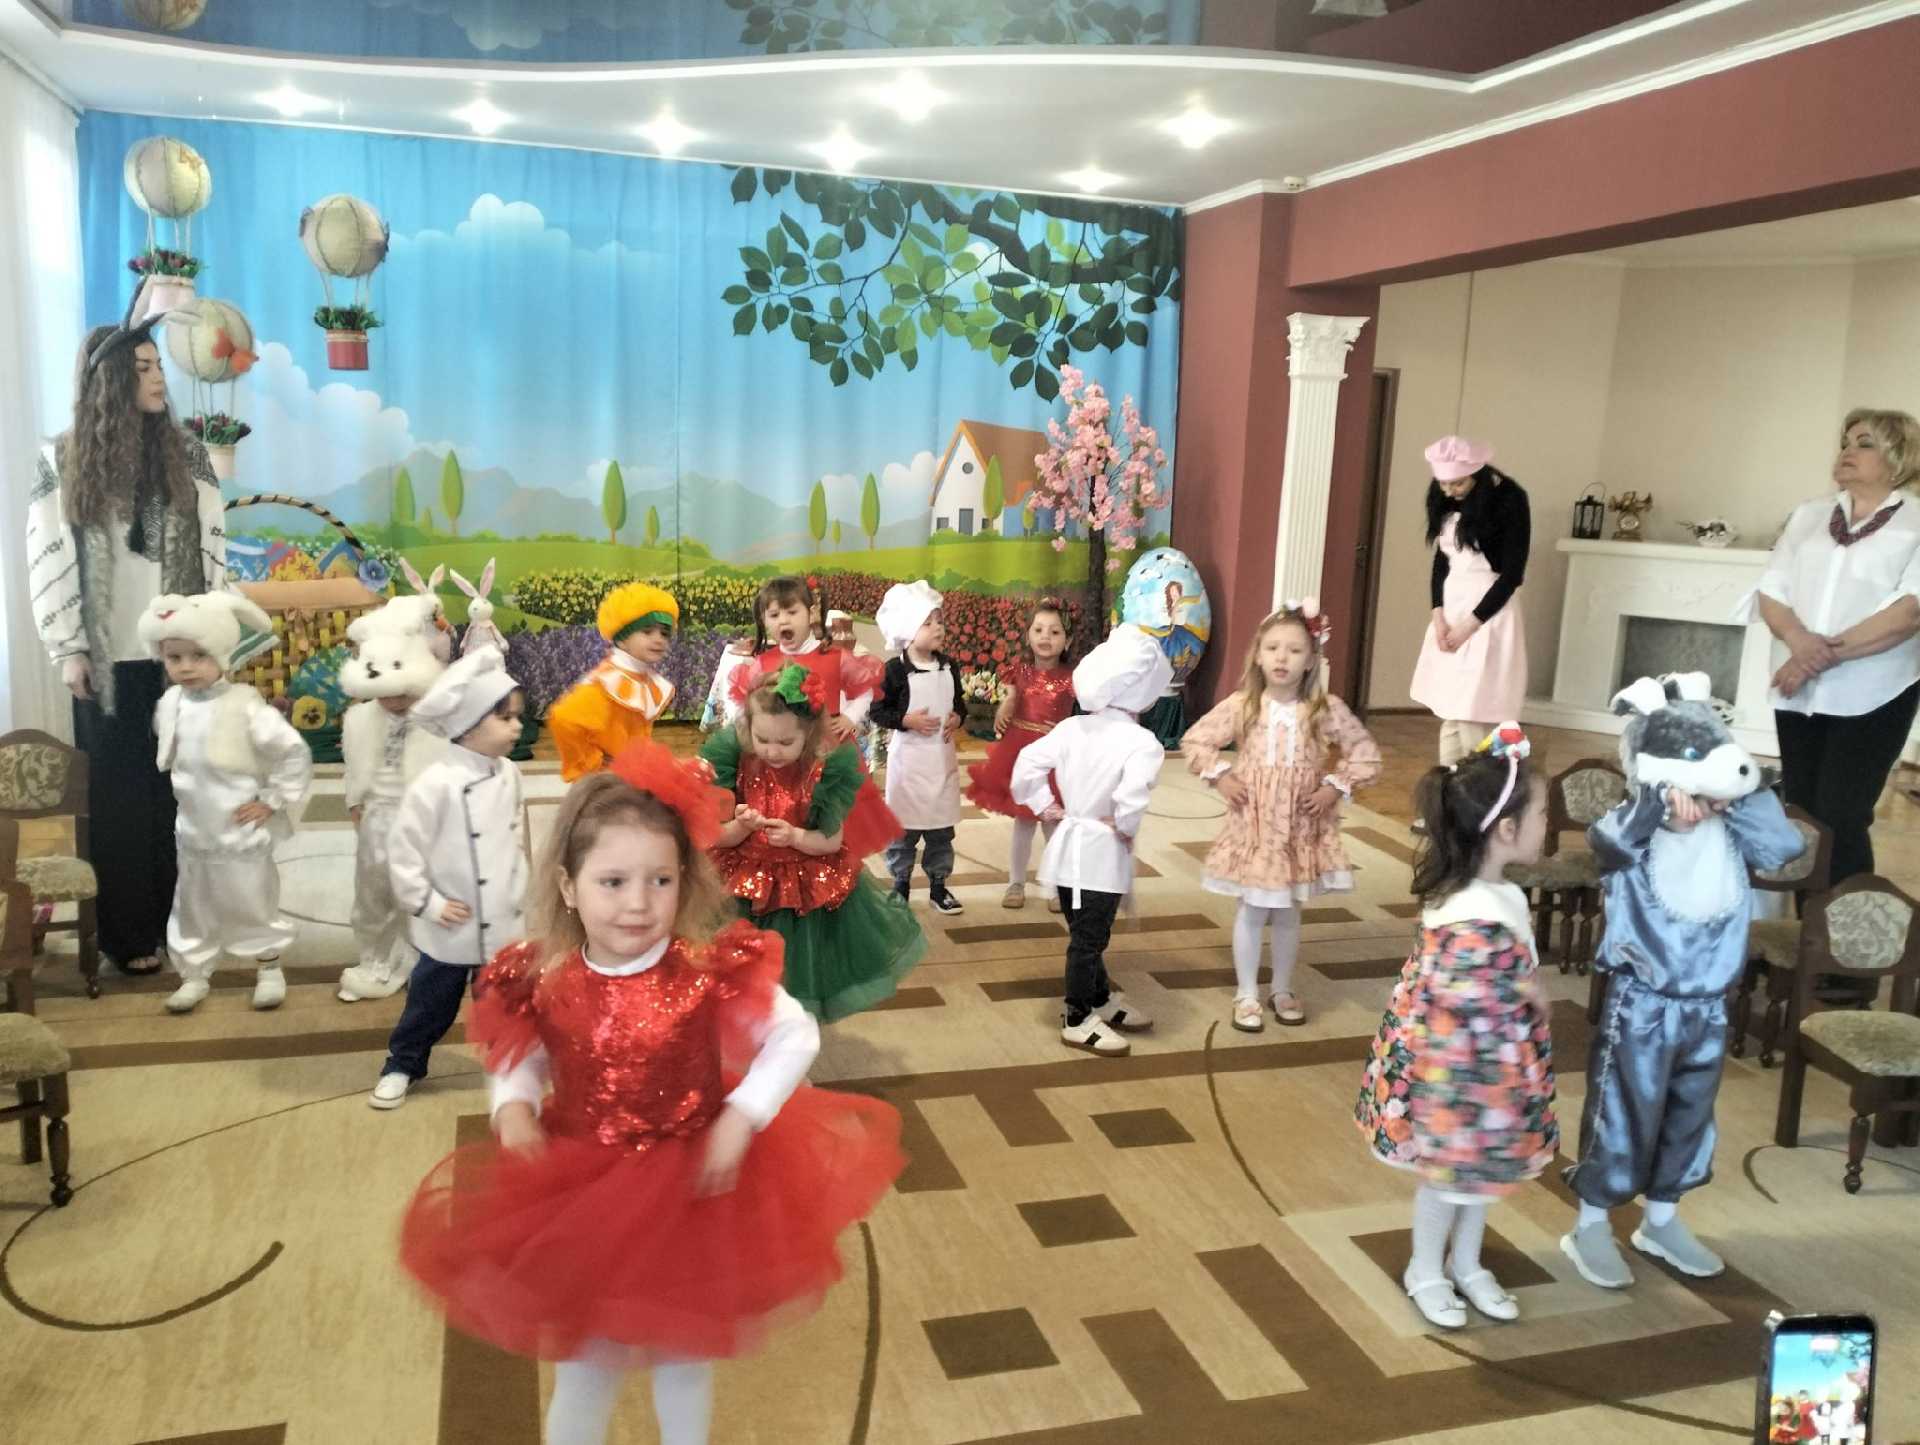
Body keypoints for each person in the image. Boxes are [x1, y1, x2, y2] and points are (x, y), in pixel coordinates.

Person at [399, 743, 902, 1445]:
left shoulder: (707, 972)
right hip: (579, 1189)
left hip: (693, 1185)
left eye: (659, 880)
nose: (637, 902)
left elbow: (795, 1035)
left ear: (683, 882)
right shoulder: (542, 980)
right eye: (612, 881)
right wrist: (512, 1105)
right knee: (585, 1367)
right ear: (569, 886)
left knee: (683, 1360)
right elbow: (519, 1054)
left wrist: (741, 1118)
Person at [1559, 675, 1802, 1290]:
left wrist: (1735, 798)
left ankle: (1661, 1220)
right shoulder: (1633, 825)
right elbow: (1609, 842)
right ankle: (1591, 1224)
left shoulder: (1731, 826)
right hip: (1642, 1005)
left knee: (1689, 1116)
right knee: (1622, 1115)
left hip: (1710, 1004)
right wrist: (1659, 804)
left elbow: (1784, 847)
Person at [25, 304, 227, 979]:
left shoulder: (186, 454)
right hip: (107, 663)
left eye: (159, 365)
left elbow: (214, 545)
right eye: (143, 368)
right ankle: (127, 933)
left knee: (177, 795)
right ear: (110, 379)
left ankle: (178, 923)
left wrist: (212, 634)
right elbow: (46, 554)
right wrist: (68, 647)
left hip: (177, 658)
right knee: (118, 802)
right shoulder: (63, 458)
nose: (158, 377)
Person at [1354, 726, 1556, 1328]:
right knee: (1451, 1177)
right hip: (1455, 1070)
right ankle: (1425, 1268)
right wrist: (1524, 992)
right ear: (1507, 830)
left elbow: (1506, 974)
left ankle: (1466, 1262)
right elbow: (1464, 1000)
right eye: (1543, 814)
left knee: (1480, 1173)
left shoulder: (1499, 894)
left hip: (1490, 1063)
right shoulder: (1469, 913)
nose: (1549, 825)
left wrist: (1526, 990)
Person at [1182, 602, 1381, 1030]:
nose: (1282, 658)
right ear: (1258, 655)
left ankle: (1282, 987)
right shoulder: (1243, 705)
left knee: (1289, 911)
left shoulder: (1324, 708)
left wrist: (1334, 787)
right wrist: (1221, 776)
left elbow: (1365, 754)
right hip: (1255, 827)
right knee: (1253, 909)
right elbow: (1197, 741)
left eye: (1294, 650)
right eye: (1272, 648)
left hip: (1298, 828)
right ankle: (1246, 993)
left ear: (1311, 660)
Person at [1746, 408, 1920, 886]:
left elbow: (1908, 612)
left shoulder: (1917, 521)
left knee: (1843, 813)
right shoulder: (1809, 514)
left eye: (1864, 443)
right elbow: (1771, 590)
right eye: (1846, 441)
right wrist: (1799, 644)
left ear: (1899, 457)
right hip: (1798, 686)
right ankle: (1806, 926)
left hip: (1875, 689)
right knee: (1802, 811)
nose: (1847, 451)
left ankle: (1847, 930)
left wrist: (1815, 657)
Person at [701, 665, 925, 1020]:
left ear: (808, 734)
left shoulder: (824, 773)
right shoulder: (733, 764)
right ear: (748, 729)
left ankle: (789, 1022)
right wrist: (741, 827)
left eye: (785, 742)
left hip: (803, 893)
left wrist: (794, 836)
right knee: (735, 973)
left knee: (794, 974)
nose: (772, 751)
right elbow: (717, 836)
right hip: (742, 886)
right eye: (762, 739)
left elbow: (831, 842)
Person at [137, 592, 312, 1015]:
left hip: (239, 826)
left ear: (222, 655)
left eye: (198, 655)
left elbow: (292, 752)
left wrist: (272, 799)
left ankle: (268, 966)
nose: (186, 667)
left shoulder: (244, 705)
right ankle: (194, 972)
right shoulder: (170, 704)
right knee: (192, 903)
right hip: (193, 828)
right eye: (174, 657)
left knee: (251, 898)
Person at [369, 649, 528, 1110]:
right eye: (505, 718)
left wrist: (520, 891)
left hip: (501, 918)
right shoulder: (435, 783)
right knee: (429, 1003)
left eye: (518, 717)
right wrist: (428, 903)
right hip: (450, 922)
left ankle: (508, 1065)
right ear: (468, 726)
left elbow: (514, 837)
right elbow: (404, 851)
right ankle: (403, 1063)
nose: (517, 727)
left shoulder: (510, 774)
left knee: (502, 1003)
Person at [1011, 625, 1170, 1056]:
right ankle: (1077, 1015)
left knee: (1086, 932)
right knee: (1088, 939)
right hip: (1099, 856)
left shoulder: (1071, 728)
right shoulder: (1142, 742)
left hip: (1067, 850)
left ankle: (1099, 998)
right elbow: (1133, 795)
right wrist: (1125, 824)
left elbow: (1026, 764)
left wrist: (1045, 805)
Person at [335, 596, 450, 1002]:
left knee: (424, 892)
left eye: (402, 689)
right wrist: (356, 804)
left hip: (426, 819)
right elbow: (354, 766)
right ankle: (376, 960)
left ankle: (424, 961)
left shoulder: (441, 720)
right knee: (373, 893)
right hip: (378, 817)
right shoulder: (358, 719)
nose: (394, 698)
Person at [1407, 436, 1530, 764]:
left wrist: (1469, 626)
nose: (1450, 491)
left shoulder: (1510, 500)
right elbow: (1441, 561)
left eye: (1458, 483)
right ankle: (1448, 785)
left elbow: (1511, 576)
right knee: (1452, 709)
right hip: (1452, 608)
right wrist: (1438, 614)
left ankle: (1488, 785)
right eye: (1443, 484)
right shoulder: (1445, 499)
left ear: (1478, 474)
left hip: (1489, 612)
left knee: (1473, 711)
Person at [966, 598, 1075, 911]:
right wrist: (1005, 706)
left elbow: (1084, 711)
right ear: (1027, 635)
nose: (1045, 637)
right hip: (1021, 753)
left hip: (1054, 756)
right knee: (1024, 822)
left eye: (1054, 632)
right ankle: (1016, 882)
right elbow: (1011, 698)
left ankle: (1055, 886)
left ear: (1067, 640)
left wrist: (1069, 729)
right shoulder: (1019, 671)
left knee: (1053, 822)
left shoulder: (1073, 677)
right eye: (1038, 630)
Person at [873, 581, 966, 914]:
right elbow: (877, 711)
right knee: (903, 831)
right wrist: (906, 720)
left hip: (941, 763)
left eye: (939, 620)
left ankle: (939, 886)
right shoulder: (894, 671)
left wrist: (958, 717)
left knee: (941, 831)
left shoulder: (950, 666)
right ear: (907, 631)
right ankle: (901, 884)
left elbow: (959, 703)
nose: (938, 627)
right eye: (928, 623)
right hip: (909, 767)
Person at [548, 583, 679, 783]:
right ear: (623, 639)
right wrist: (594, 764)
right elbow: (564, 719)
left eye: (664, 633)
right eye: (647, 631)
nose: (659, 639)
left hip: (632, 776)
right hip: (607, 784)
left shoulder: (643, 680)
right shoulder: (606, 682)